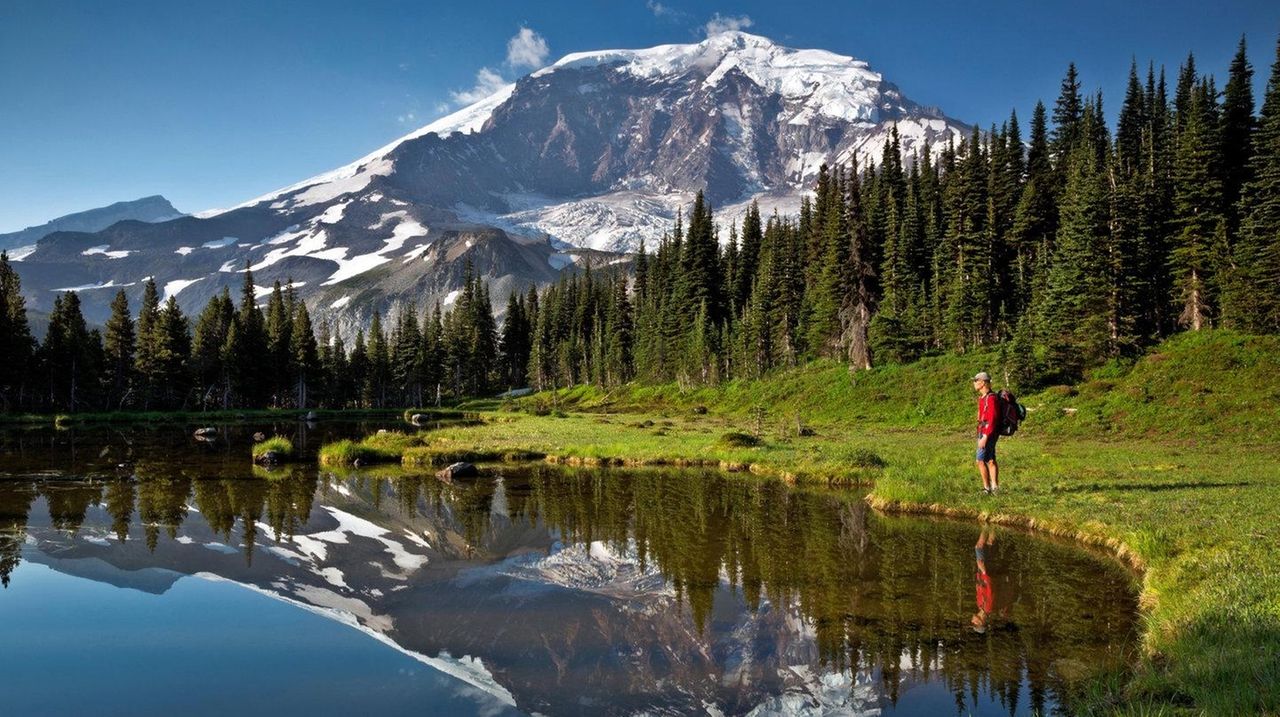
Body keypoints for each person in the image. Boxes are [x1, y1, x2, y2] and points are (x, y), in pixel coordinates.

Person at [972, 371, 1000, 494]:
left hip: (987, 432)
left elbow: (993, 419)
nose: (974, 383)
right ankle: (995, 488)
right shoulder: (983, 398)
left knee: (980, 460)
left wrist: (985, 437)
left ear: (982, 382)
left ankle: (987, 488)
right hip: (985, 431)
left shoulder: (991, 398)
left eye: (975, 381)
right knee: (990, 459)